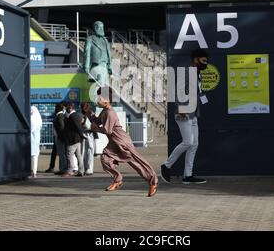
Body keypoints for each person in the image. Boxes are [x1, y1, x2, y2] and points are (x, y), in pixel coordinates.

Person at [81, 87, 158, 197]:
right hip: (113, 143)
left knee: (137, 163)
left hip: (122, 142)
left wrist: (96, 129)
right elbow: (97, 121)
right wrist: (88, 112)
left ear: (107, 99)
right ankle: (118, 180)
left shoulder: (110, 113)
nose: (97, 100)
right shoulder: (105, 111)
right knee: (105, 159)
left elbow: (107, 130)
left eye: (100, 98)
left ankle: (153, 182)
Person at [160, 48, 209, 184]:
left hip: (193, 114)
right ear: (195, 59)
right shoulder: (186, 73)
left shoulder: (198, 74)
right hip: (183, 113)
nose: (206, 63)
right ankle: (166, 166)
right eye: (203, 60)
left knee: (194, 144)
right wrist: (181, 108)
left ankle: (188, 175)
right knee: (188, 142)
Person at [84, 21, 113, 86]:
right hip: (96, 65)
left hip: (105, 66)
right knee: (100, 84)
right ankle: (96, 94)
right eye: (100, 27)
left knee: (105, 85)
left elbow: (108, 53)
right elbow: (87, 54)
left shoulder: (105, 40)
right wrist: (86, 66)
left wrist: (110, 66)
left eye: (102, 27)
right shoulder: (90, 39)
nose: (101, 29)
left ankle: (99, 94)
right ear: (95, 28)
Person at [64, 102, 85, 177]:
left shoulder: (72, 116)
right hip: (77, 139)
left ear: (70, 108)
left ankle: (70, 171)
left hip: (72, 139)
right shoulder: (78, 115)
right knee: (79, 155)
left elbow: (77, 127)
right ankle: (81, 171)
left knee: (69, 155)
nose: (65, 109)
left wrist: (82, 135)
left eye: (66, 108)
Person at [53, 102, 70, 177]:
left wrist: (61, 137)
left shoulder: (59, 116)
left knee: (62, 154)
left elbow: (62, 127)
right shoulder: (60, 115)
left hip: (61, 138)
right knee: (61, 154)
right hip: (61, 138)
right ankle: (62, 169)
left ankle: (64, 169)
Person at [30, 106, 43, 178]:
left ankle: (31, 171)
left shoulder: (32, 118)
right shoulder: (39, 118)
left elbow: (30, 128)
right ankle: (34, 172)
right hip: (37, 139)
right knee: (35, 156)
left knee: (30, 156)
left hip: (31, 139)